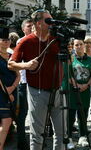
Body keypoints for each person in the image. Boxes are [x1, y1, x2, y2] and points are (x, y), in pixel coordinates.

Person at [8, 9, 64, 150]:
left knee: (62, 133)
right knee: (37, 134)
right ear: (38, 23)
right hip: (37, 92)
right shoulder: (26, 41)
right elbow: (11, 64)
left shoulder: (56, 40)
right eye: (48, 20)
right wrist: (26, 65)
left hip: (58, 91)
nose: (51, 23)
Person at [68, 39, 91, 147]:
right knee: (70, 114)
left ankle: (82, 136)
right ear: (73, 46)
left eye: (80, 44)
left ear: (84, 45)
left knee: (83, 113)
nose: (78, 46)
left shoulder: (90, 60)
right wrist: (76, 85)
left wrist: (86, 85)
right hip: (73, 91)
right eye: (76, 45)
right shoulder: (71, 59)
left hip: (85, 91)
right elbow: (68, 74)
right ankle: (68, 137)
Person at [0, 37, 20, 150]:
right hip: (2, 93)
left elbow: (19, 75)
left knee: (8, 122)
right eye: (3, 39)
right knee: (6, 121)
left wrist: (12, 89)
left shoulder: (12, 56)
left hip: (11, 93)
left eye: (7, 39)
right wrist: (7, 92)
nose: (6, 41)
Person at [16, 18, 33, 150]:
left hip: (35, 83)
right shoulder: (21, 42)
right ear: (23, 29)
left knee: (35, 114)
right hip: (24, 83)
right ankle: (22, 142)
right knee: (23, 114)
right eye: (28, 26)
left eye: (32, 26)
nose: (31, 28)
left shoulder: (36, 41)